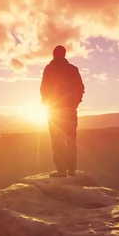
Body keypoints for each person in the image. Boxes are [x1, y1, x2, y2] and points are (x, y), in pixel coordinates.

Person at [40, 45, 85, 177]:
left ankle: (61, 171)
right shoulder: (72, 69)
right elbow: (80, 88)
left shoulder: (49, 69)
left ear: (54, 54)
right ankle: (71, 170)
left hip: (54, 110)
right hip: (68, 110)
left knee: (57, 140)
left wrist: (46, 103)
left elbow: (43, 89)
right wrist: (75, 103)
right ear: (64, 54)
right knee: (70, 139)